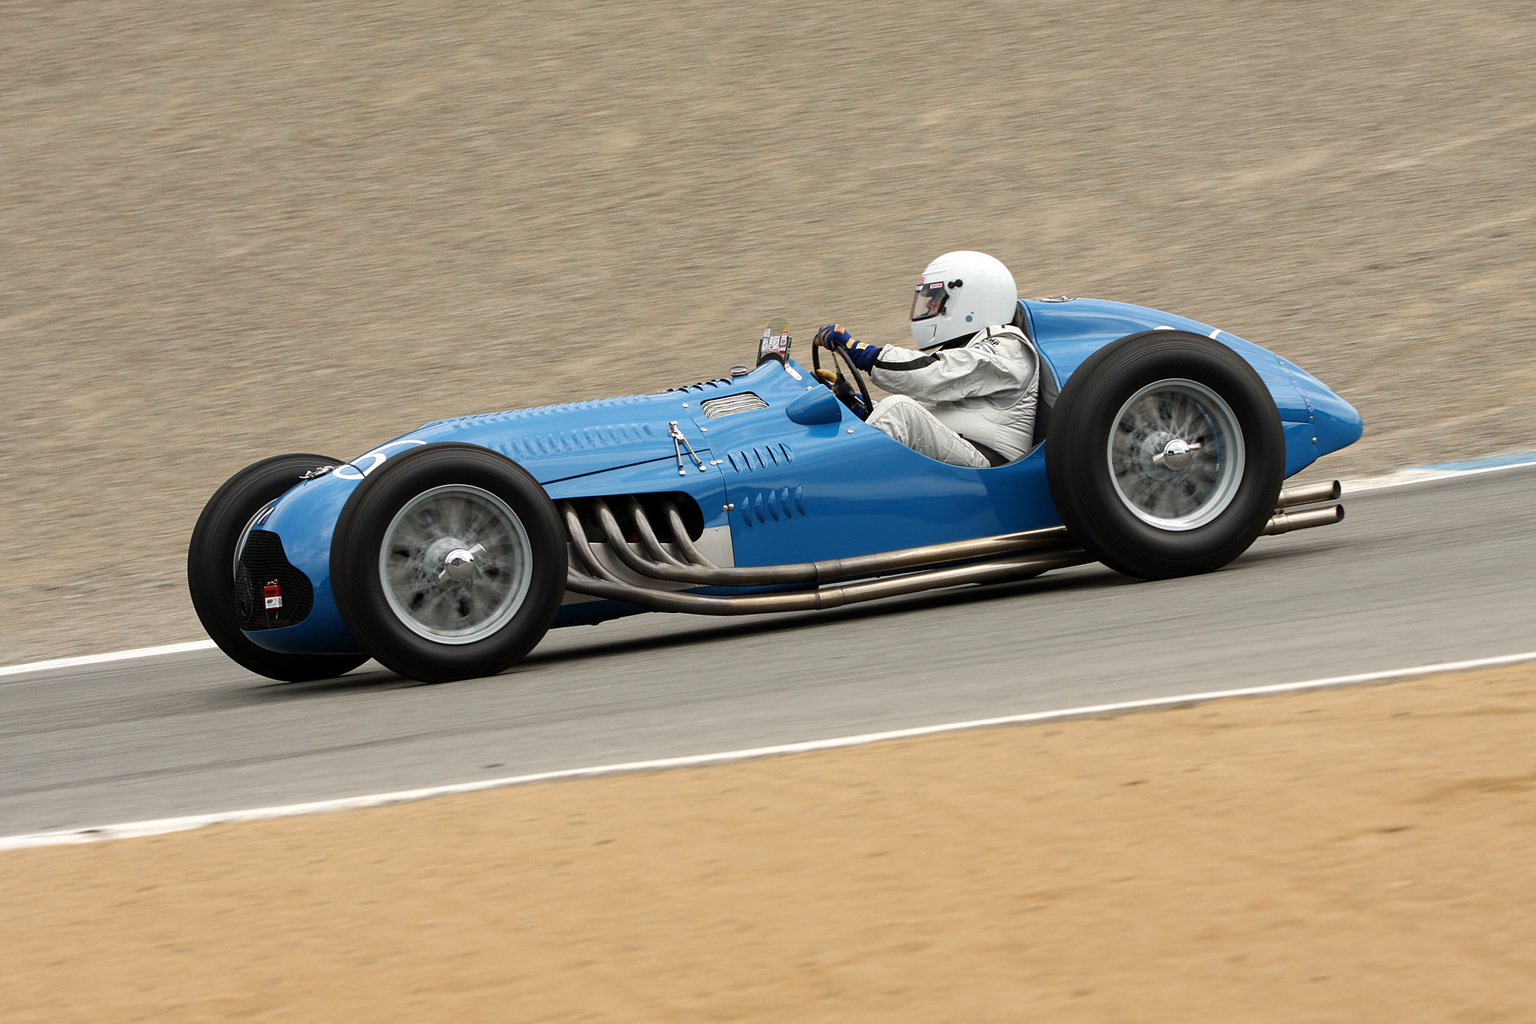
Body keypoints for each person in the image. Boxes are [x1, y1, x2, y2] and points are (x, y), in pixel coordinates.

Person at [815, 250, 1039, 468]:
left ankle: (838, 485)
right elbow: (933, 410)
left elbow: (932, 376)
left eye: (937, 299)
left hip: (991, 466)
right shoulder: (968, 349)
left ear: (973, 302)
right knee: (891, 409)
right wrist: (857, 405)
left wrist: (860, 351)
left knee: (900, 409)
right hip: (962, 447)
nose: (930, 306)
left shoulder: (1008, 348)